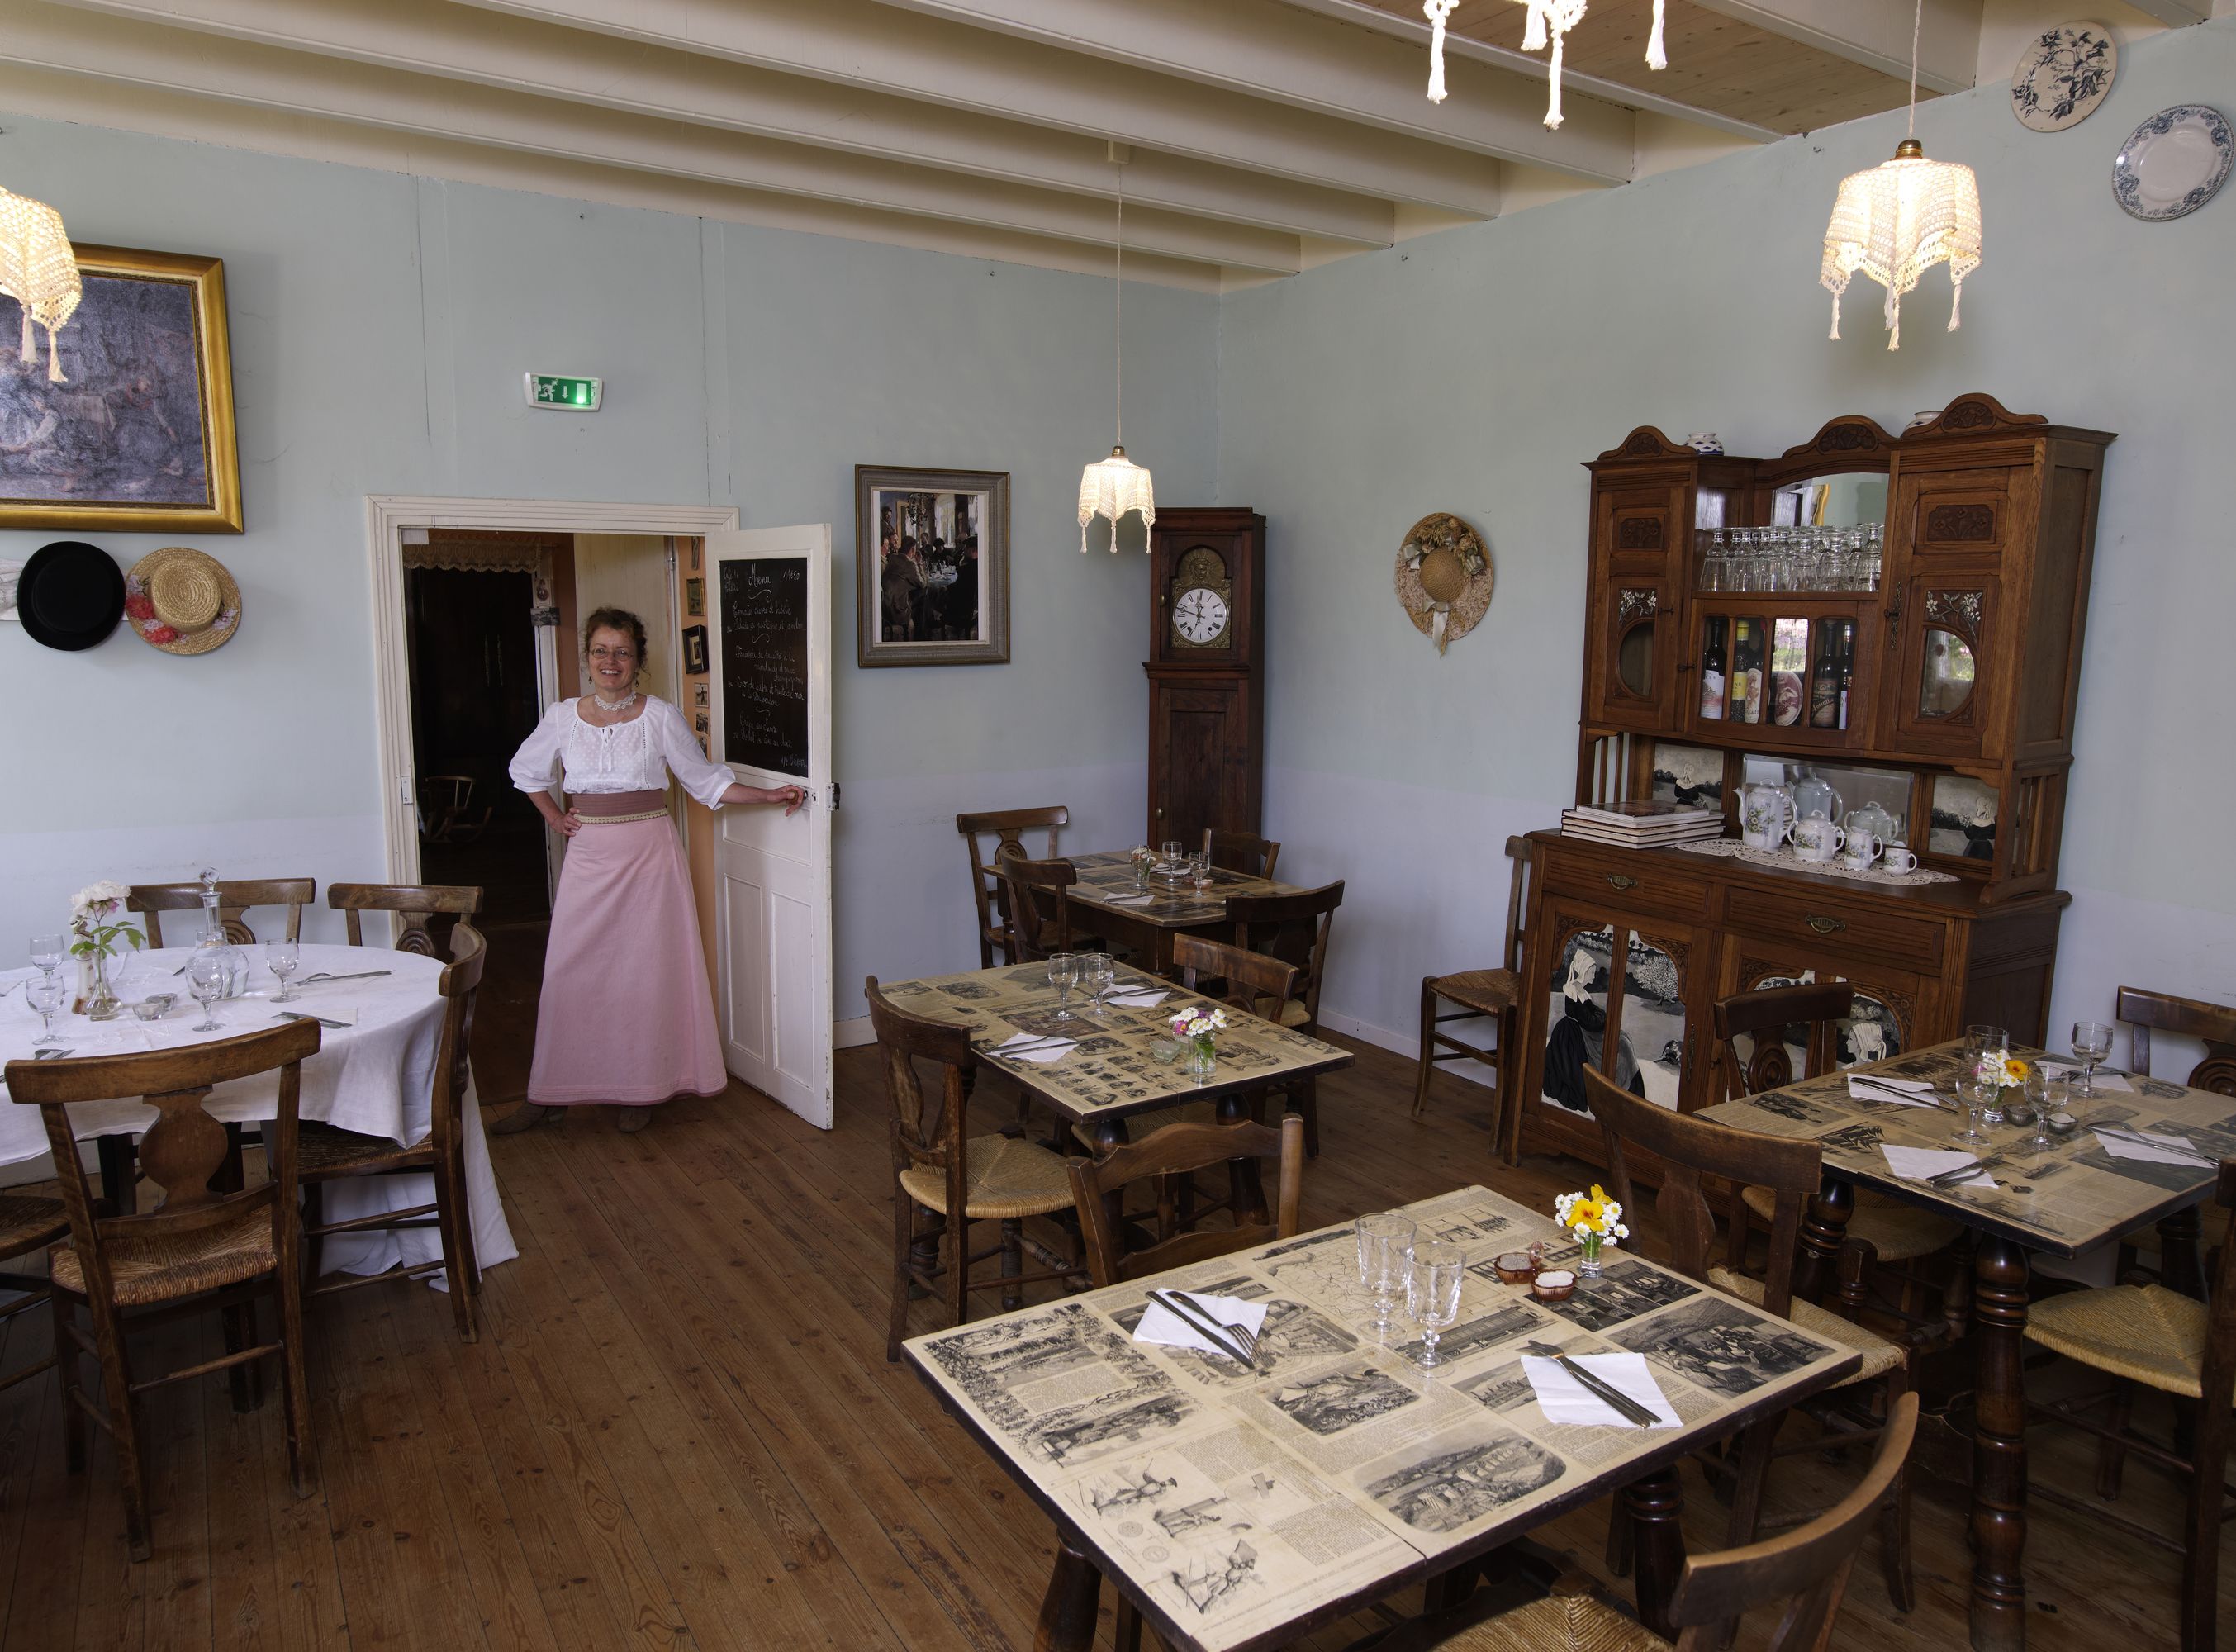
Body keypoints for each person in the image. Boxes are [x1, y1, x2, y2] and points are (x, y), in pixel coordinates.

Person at [496, 607, 805, 1134]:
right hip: (589, 858)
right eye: (601, 651)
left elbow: (705, 782)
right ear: (587, 658)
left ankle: (641, 1086)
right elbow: (524, 771)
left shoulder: (660, 716)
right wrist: (554, 817)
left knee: (644, 973)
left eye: (622, 652)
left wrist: (770, 794)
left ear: (637, 659)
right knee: (570, 972)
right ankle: (549, 1093)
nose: (610, 661)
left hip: (650, 857)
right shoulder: (562, 716)